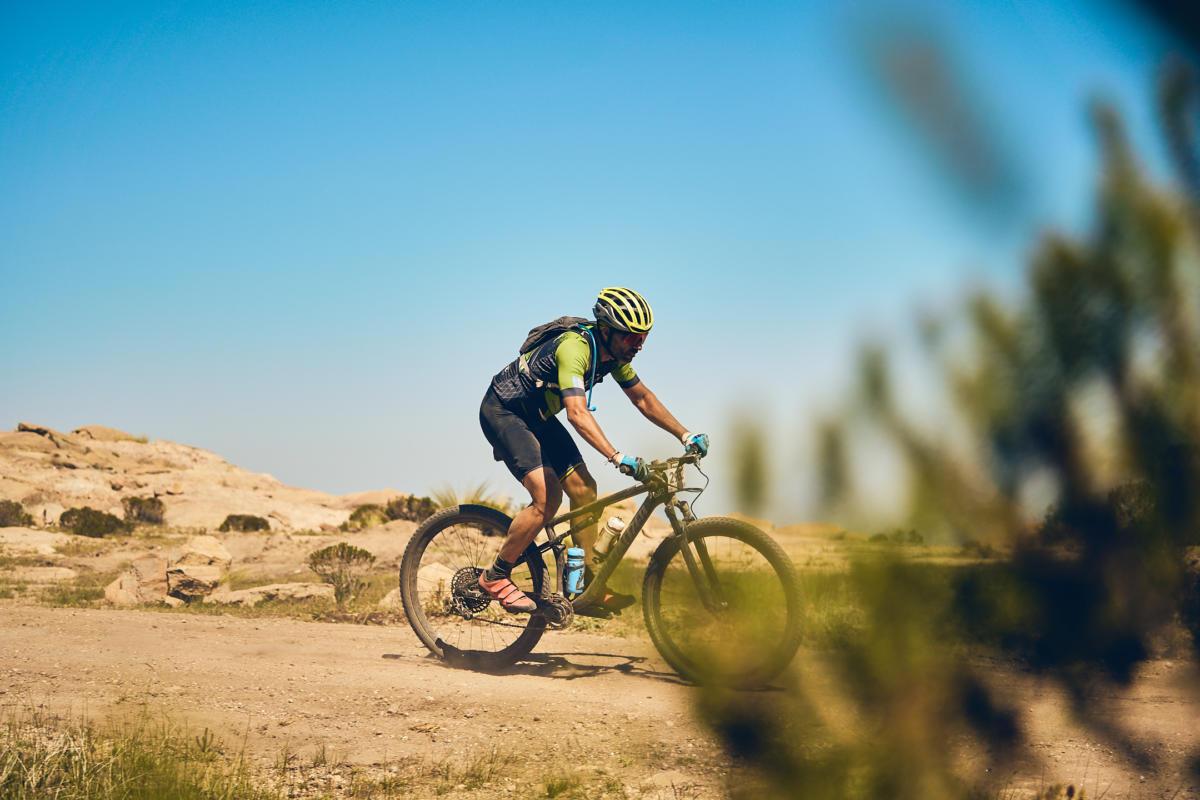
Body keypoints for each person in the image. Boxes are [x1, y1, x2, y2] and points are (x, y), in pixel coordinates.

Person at [477, 287, 709, 615]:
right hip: (504, 411)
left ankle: (586, 585)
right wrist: (617, 456)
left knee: (585, 490)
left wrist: (685, 434)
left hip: (538, 416)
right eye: (631, 337)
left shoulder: (614, 356)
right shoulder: (575, 348)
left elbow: (643, 398)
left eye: (643, 337)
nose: (638, 345)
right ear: (607, 330)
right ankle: (495, 576)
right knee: (547, 497)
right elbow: (576, 413)